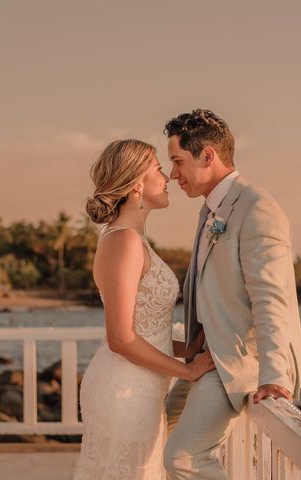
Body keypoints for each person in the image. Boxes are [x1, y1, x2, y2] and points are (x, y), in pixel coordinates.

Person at [163, 109, 301, 479]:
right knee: (157, 425)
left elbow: (270, 298)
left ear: (208, 156)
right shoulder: (211, 210)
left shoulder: (257, 208)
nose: (172, 174)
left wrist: (275, 378)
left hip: (241, 359)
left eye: (178, 162)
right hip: (209, 355)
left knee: (183, 457)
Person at [73, 139, 216, 480]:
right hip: (124, 390)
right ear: (137, 183)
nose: (167, 177)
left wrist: (189, 350)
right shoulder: (123, 241)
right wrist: (189, 371)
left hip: (141, 388)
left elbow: (145, 332)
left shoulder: (132, 239)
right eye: (158, 169)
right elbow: (121, 338)